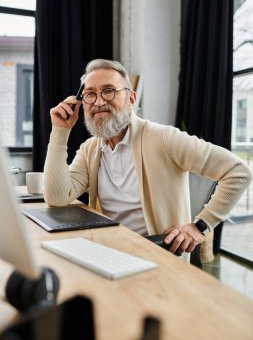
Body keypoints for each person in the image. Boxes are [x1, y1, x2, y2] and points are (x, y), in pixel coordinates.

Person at [44, 59, 252, 260]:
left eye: (109, 91)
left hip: (157, 254)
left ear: (131, 99)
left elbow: (237, 171)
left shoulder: (163, 138)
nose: (99, 102)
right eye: (90, 94)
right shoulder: (91, 148)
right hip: (108, 249)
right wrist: (60, 130)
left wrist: (200, 227)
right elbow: (57, 198)